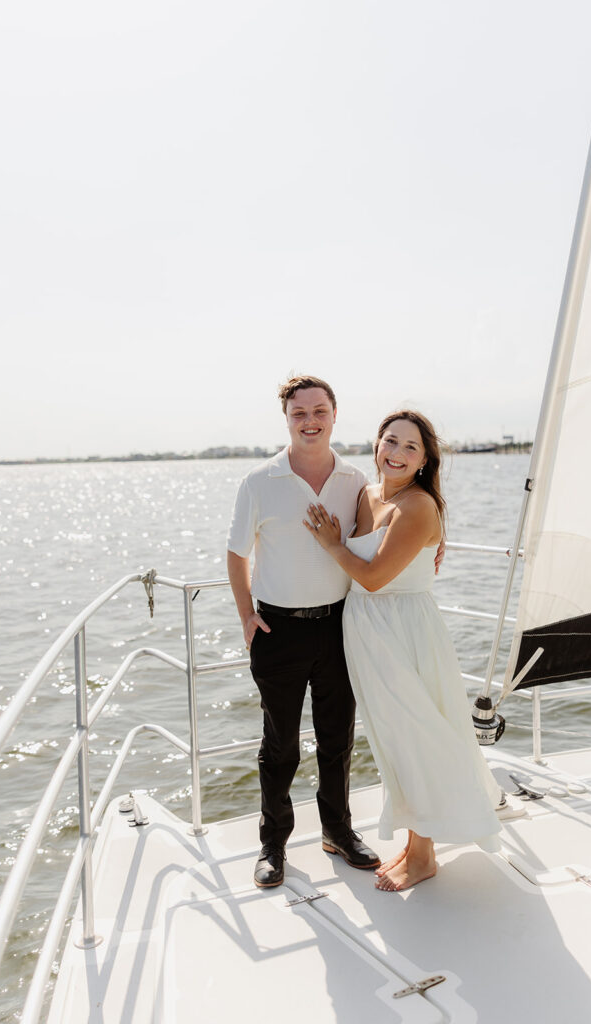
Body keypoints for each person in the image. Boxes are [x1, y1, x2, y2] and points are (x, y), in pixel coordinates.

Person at [304, 410, 502, 891]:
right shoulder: (367, 495)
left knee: (417, 735)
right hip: (367, 628)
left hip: (402, 630)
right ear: (376, 446)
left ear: (424, 460)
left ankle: (425, 854)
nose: (396, 452)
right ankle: (416, 845)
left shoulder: (417, 506)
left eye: (410, 447)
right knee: (395, 738)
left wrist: (333, 544)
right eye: (389, 441)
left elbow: (372, 576)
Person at [226, 375, 381, 887]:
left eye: (319, 411)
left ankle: (338, 831)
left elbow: (383, 530)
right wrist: (247, 615)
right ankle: (273, 845)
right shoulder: (259, 481)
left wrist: (436, 542)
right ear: (287, 419)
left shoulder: (356, 479)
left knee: (337, 740)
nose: (309, 421)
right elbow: (236, 554)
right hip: (279, 630)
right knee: (281, 746)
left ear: (334, 415)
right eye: (299, 413)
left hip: (339, 626)